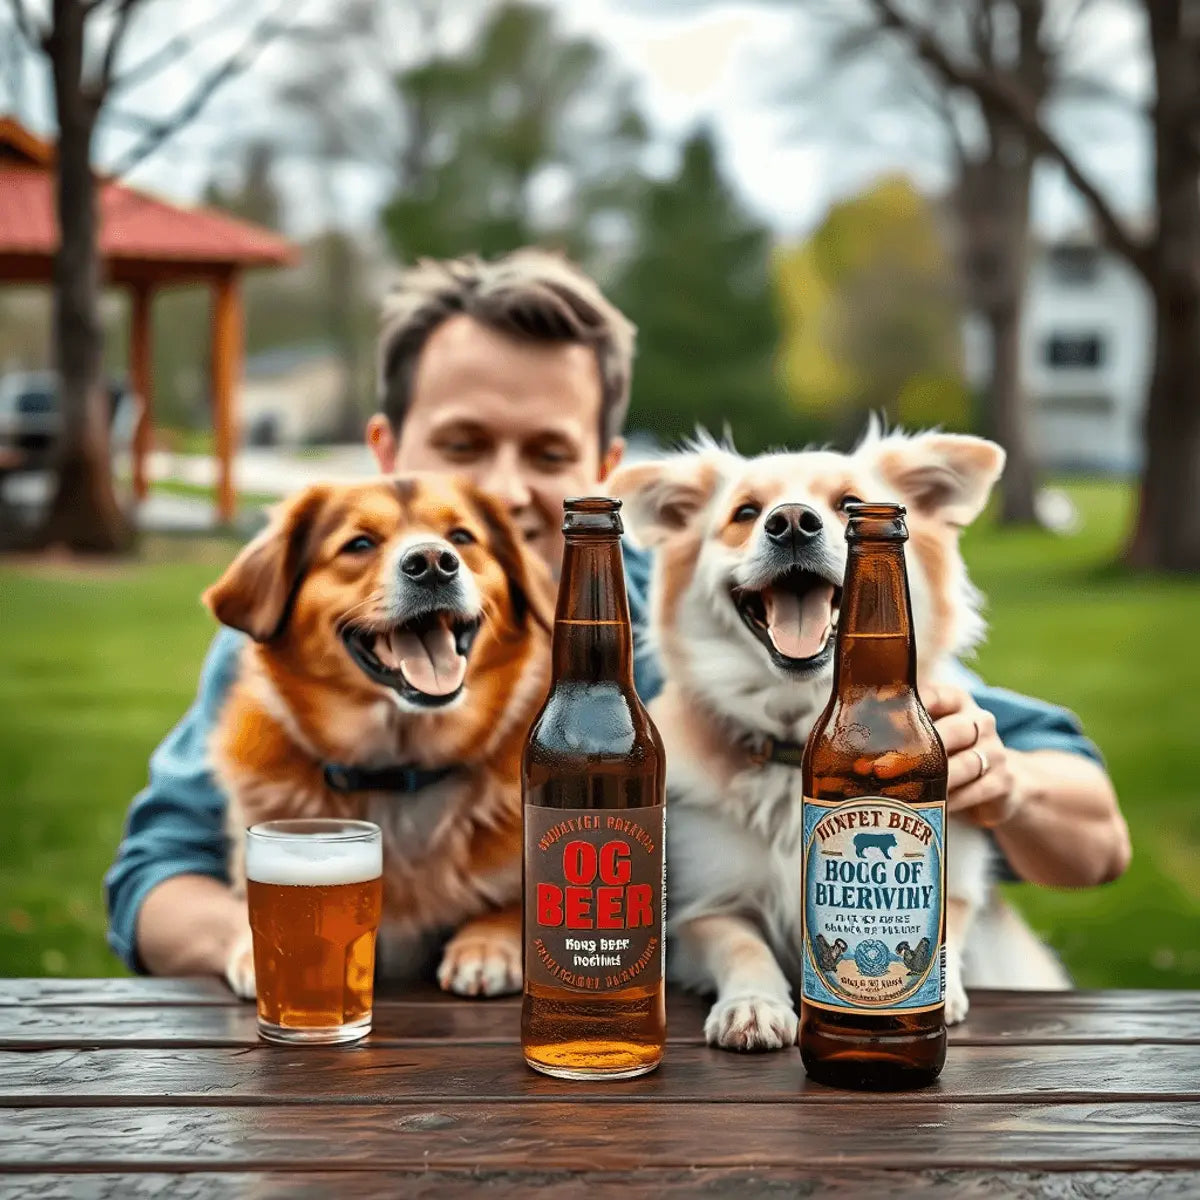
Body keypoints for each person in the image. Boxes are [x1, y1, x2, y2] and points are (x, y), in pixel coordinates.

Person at [105, 249, 1130, 984]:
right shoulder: (320, 641)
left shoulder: (707, 625)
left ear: (606, 473)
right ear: (388, 448)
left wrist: (1006, 785)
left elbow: (1094, 839)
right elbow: (155, 875)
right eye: (461, 444)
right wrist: (252, 944)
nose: (505, 490)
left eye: (548, 455)